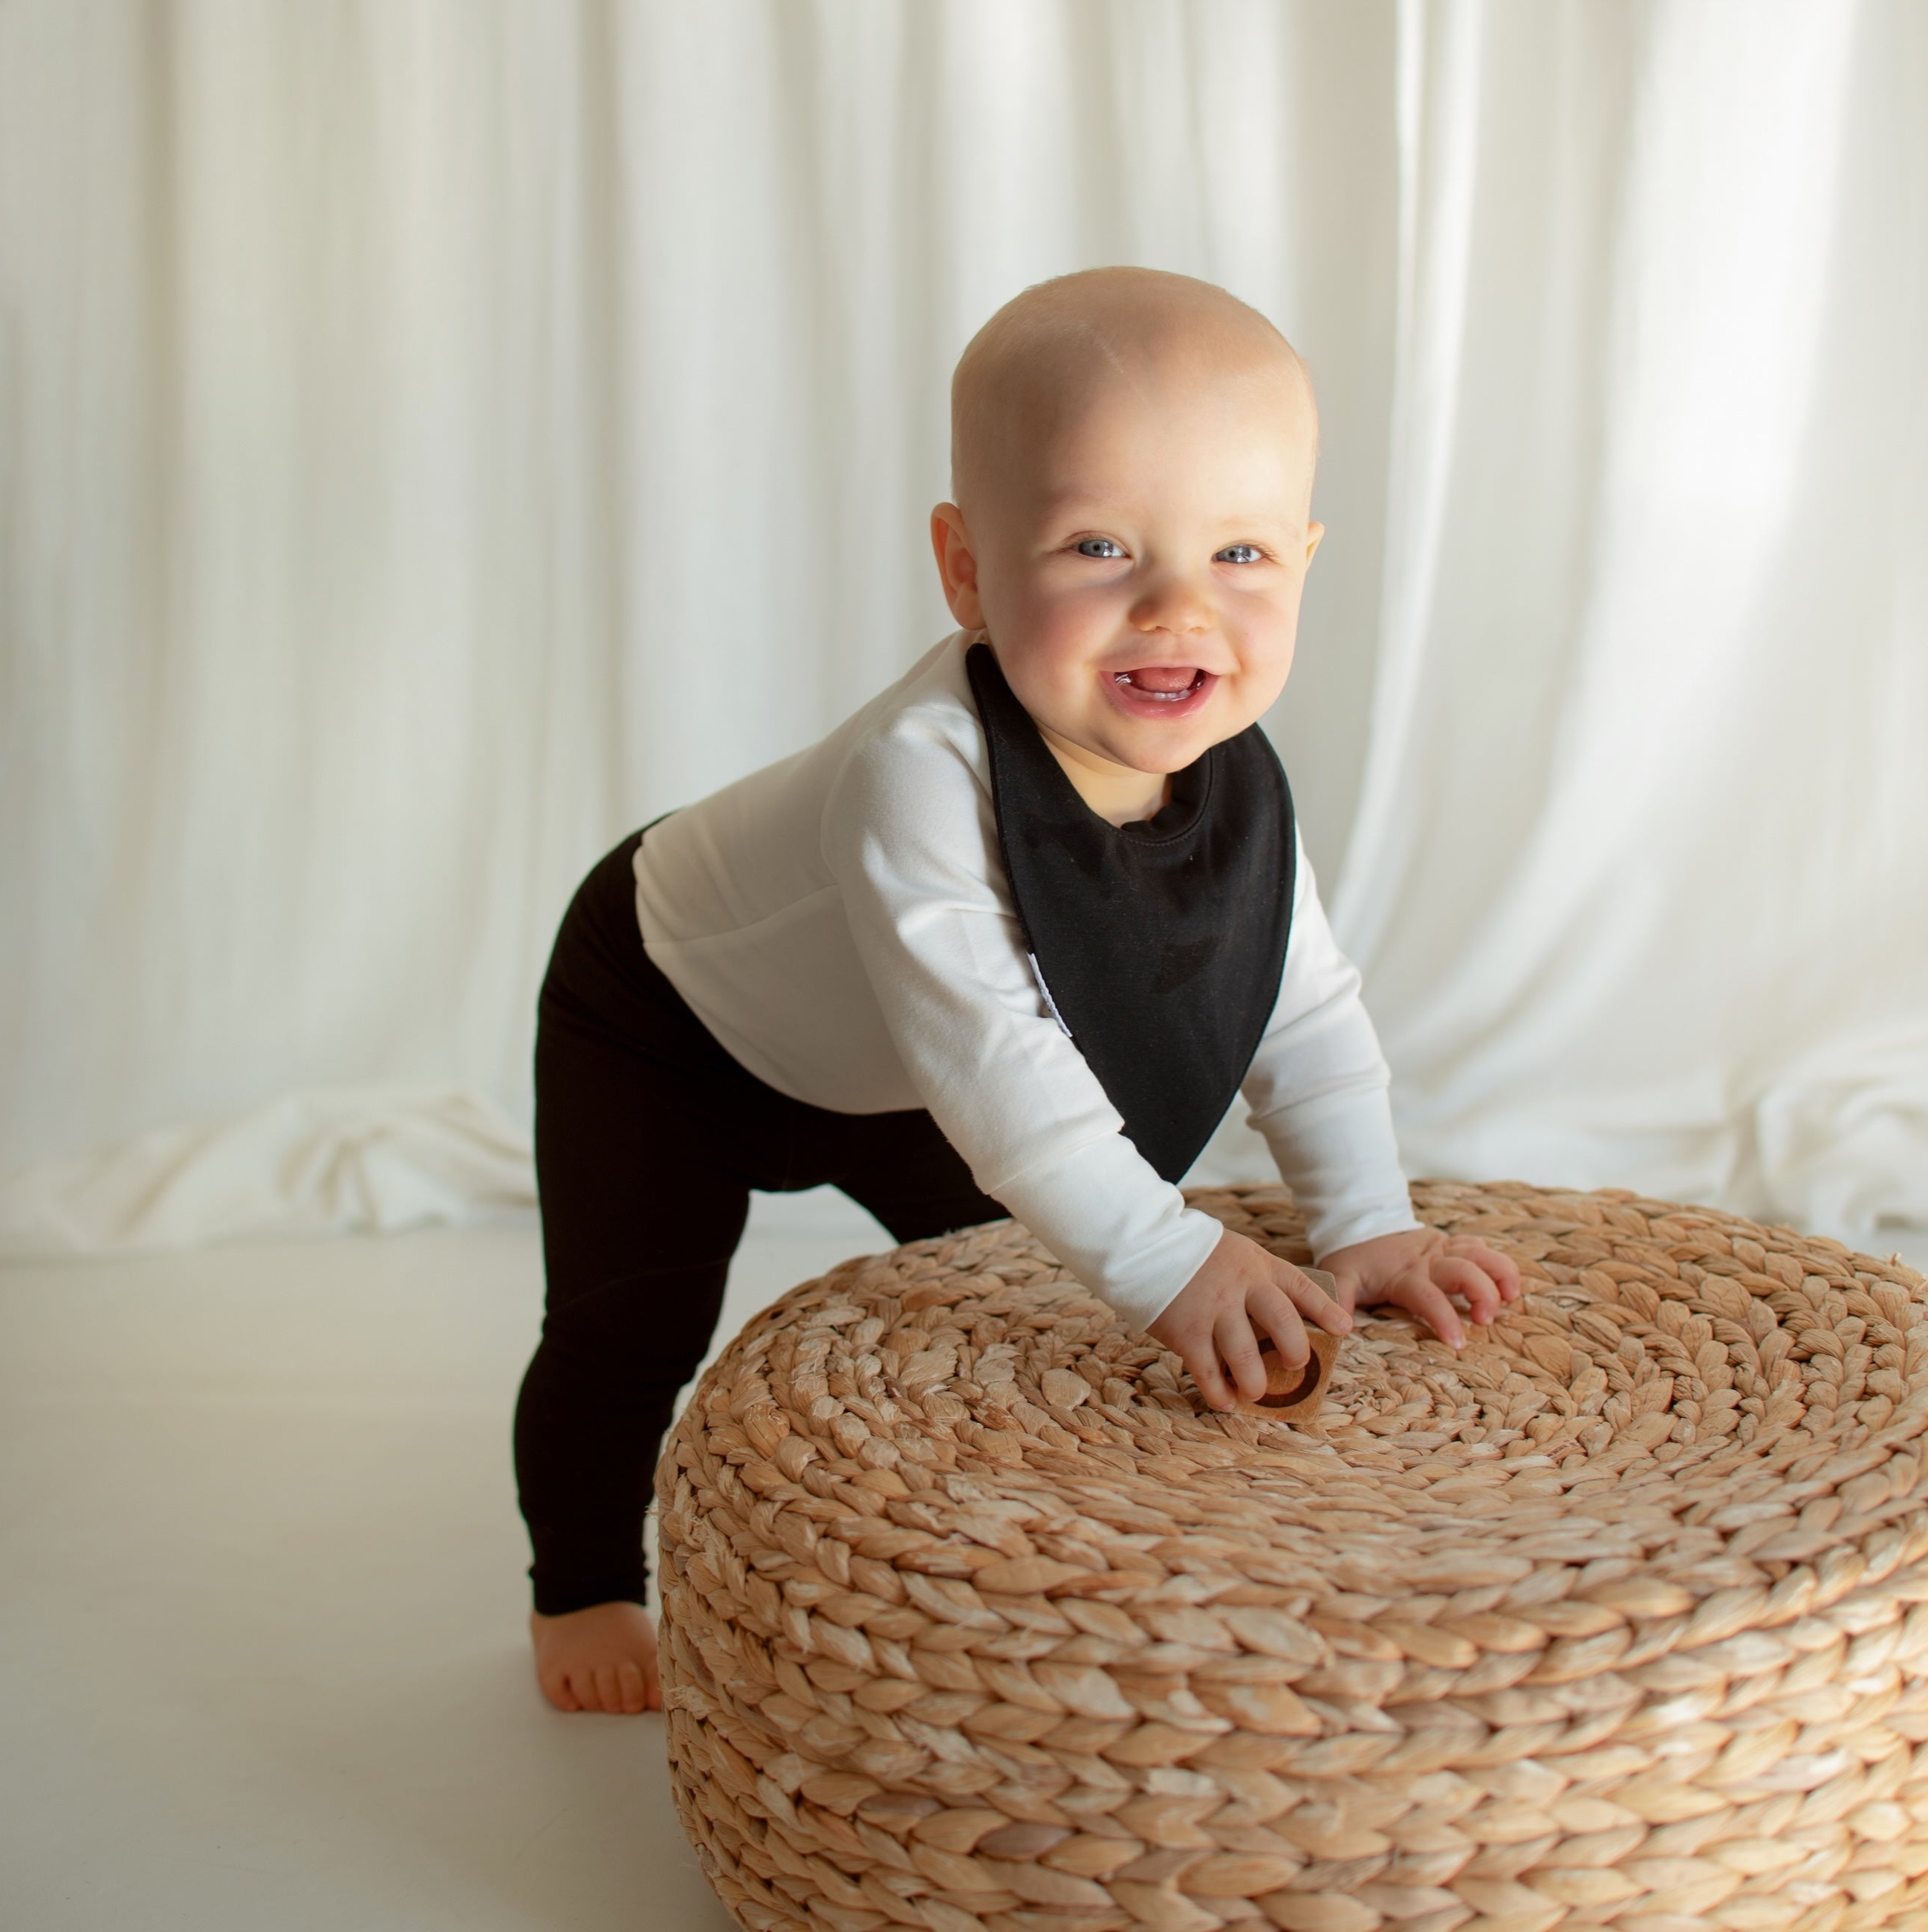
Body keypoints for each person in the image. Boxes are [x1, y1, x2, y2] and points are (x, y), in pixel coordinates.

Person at [514, 267, 1521, 1716]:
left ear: (1304, 557)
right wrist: (1178, 1258)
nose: (1177, 605)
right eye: (1099, 546)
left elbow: (1296, 1008)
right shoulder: (913, 777)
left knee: (1019, 1327)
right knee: (630, 1322)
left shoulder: (1233, 781)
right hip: (671, 1030)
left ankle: (990, 1593)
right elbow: (1007, 1078)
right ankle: (581, 1580)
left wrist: (1365, 1220)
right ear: (969, 567)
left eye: (1238, 552)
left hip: (894, 1071)